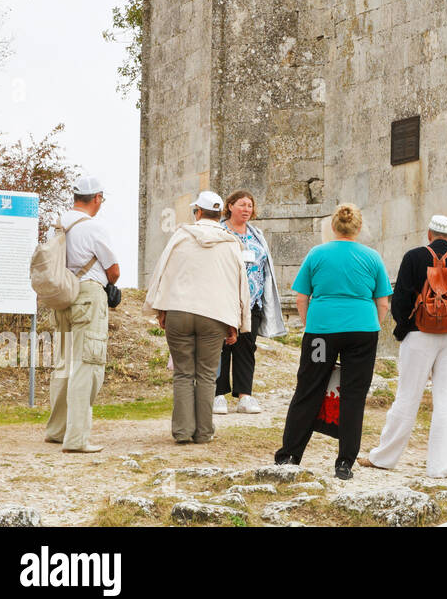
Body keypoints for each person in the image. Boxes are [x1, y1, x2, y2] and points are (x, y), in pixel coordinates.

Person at [359, 214, 447, 479]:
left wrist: (403, 330)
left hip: (418, 335)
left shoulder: (413, 257)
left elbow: (401, 299)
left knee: (407, 397)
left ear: (429, 234)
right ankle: (439, 468)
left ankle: (384, 458)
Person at [275, 203, 391, 480]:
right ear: (359, 228)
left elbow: (302, 297)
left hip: (322, 332)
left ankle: (290, 455)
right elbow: (383, 303)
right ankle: (344, 462)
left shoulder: (317, 254)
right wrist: (371, 325)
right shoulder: (372, 257)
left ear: (333, 227)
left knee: (308, 388)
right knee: (353, 395)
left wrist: (310, 324)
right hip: (362, 332)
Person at [144, 191, 249, 445]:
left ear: (198, 213)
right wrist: (236, 323)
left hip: (179, 311)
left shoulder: (180, 237)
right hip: (214, 315)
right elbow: (240, 284)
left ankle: (181, 431)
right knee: (205, 374)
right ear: (220, 214)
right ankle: (203, 432)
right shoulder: (231, 243)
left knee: (182, 373)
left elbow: (163, 271)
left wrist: (161, 309)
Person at [45, 176, 120, 453]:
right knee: (87, 364)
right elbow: (113, 270)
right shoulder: (94, 228)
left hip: (61, 294)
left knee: (64, 364)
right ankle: (77, 438)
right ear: (97, 198)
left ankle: (57, 430)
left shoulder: (58, 225)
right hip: (88, 294)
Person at [214, 190, 284, 416]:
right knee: (222, 346)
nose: (246, 209)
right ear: (230, 206)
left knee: (247, 347)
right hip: (225, 298)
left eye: (250, 206)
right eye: (242, 204)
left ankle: (245, 395)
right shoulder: (219, 231)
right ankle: (217, 395)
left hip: (252, 302)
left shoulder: (256, 234)